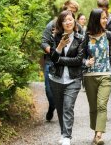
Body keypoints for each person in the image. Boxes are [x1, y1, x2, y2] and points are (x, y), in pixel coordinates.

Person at [82, 8, 111, 145]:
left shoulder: (110, 36)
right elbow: (79, 57)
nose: (105, 21)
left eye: (106, 18)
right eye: (103, 18)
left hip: (106, 74)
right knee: (93, 107)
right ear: (95, 19)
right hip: (89, 75)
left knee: (102, 105)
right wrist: (86, 62)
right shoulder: (85, 37)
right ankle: (95, 132)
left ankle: (99, 135)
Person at [48, 10, 85, 145]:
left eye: (70, 19)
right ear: (61, 23)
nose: (68, 22)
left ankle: (67, 137)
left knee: (68, 106)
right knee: (60, 107)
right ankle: (63, 133)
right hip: (56, 78)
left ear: (74, 21)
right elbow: (52, 58)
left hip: (74, 78)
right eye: (65, 20)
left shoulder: (80, 38)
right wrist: (60, 46)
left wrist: (60, 59)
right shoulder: (55, 37)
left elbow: (78, 60)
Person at [41, 0, 81, 122]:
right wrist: (54, 53)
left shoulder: (77, 28)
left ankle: (64, 114)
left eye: (73, 13)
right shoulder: (52, 24)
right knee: (50, 92)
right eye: (69, 11)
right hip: (51, 62)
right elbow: (43, 42)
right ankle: (52, 106)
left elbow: (83, 43)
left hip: (69, 64)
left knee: (66, 93)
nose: (71, 17)